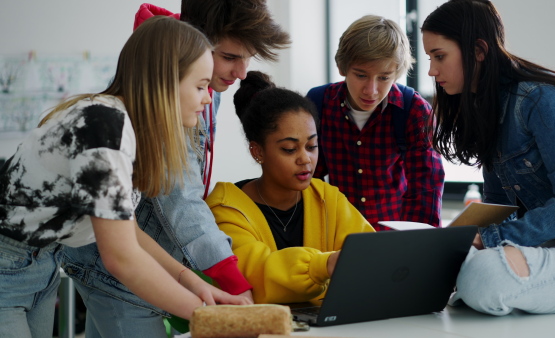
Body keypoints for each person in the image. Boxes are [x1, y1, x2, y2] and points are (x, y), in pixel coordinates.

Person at [0, 16, 248, 338]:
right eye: (200, 86)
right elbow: (121, 258)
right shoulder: (103, 125)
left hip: (43, 264)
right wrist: (205, 313)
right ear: (165, 81)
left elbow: (127, 229)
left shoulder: (124, 129)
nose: (206, 99)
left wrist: (192, 282)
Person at [61, 0, 290, 336]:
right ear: (193, 47)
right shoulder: (152, 100)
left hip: (141, 255)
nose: (242, 72)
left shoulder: (205, 86)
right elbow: (179, 199)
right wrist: (228, 280)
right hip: (116, 265)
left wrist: (193, 279)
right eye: (229, 57)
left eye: (248, 57)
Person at [421, 0, 555, 316]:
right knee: (450, 268)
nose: (432, 71)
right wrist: (452, 240)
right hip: (552, 246)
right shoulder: (487, 109)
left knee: (484, 277)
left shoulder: (542, 100)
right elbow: (498, 205)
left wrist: (486, 239)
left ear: (478, 50)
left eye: (439, 56)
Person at [205, 71, 375, 305]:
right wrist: (324, 265)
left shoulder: (327, 198)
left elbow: (368, 254)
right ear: (258, 151)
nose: (305, 159)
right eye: (289, 149)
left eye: (312, 145)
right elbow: (254, 276)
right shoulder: (226, 209)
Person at [306, 15, 445, 230]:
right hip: (335, 235)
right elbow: (307, 179)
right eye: (361, 75)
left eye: (383, 78)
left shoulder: (413, 110)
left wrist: (417, 247)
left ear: (397, 74)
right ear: (343, 68)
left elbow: (426, 188)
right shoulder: (318, 103)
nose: (371, 90)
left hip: (392, 236)